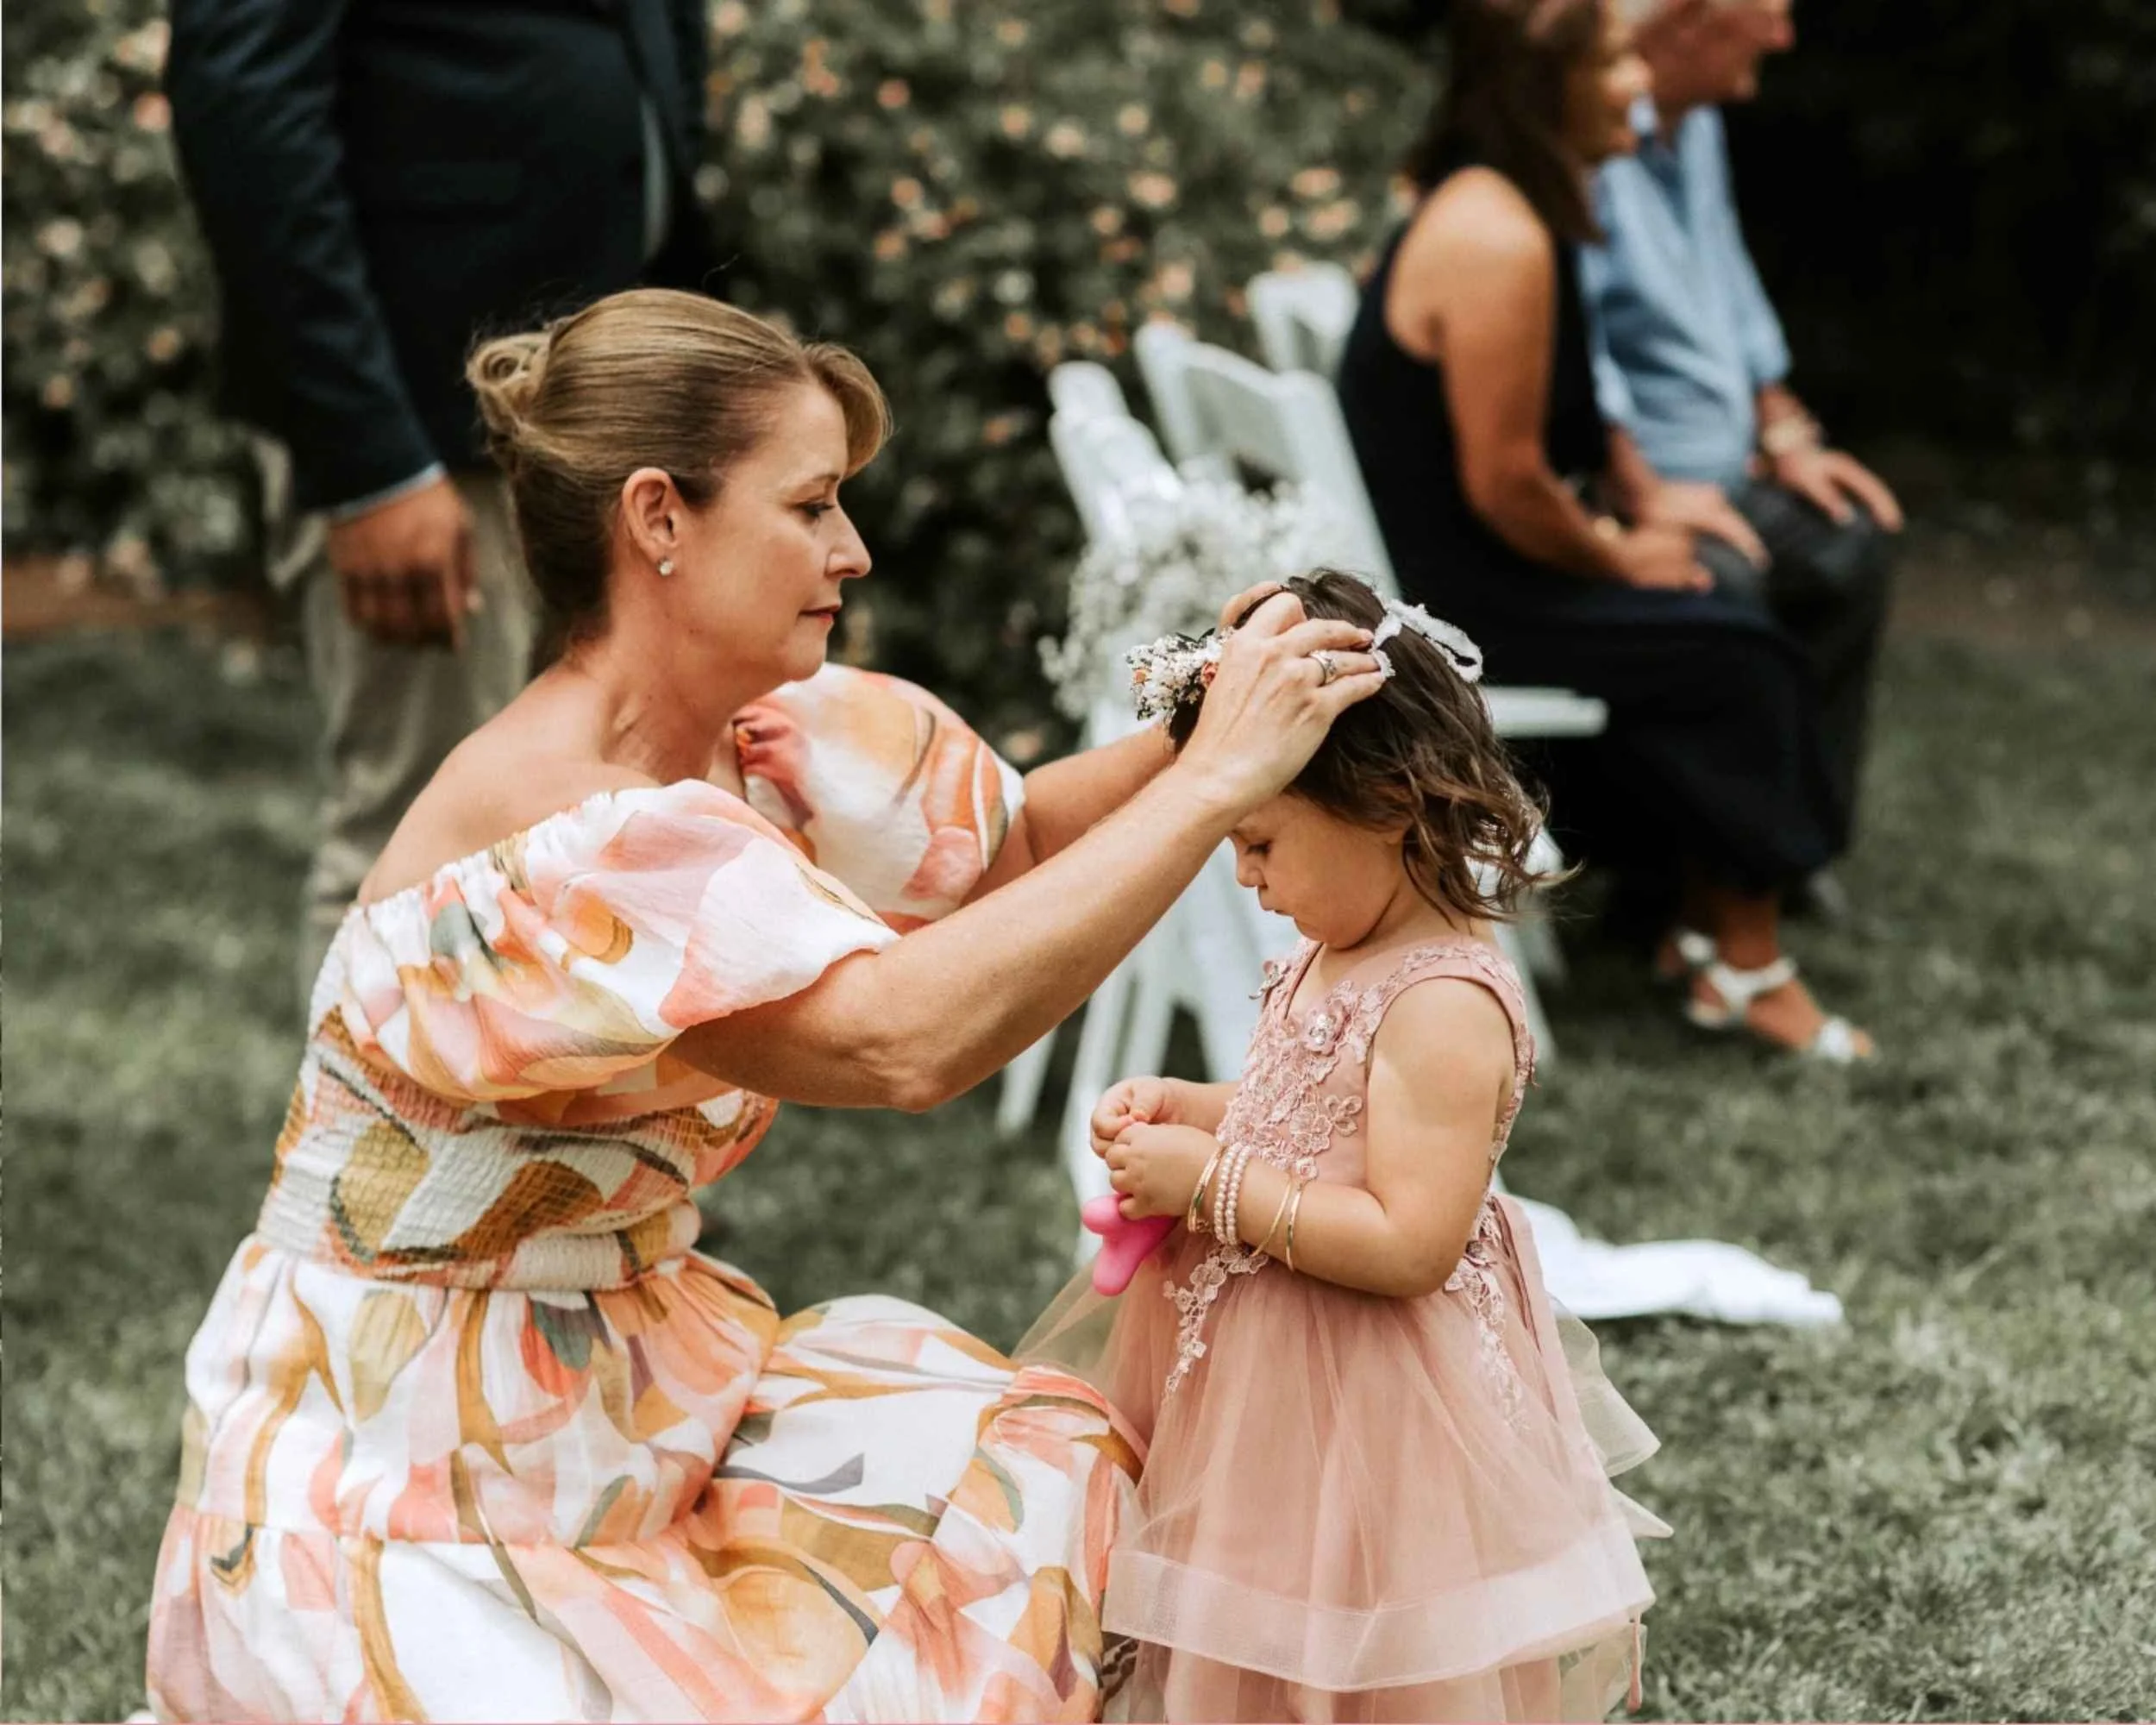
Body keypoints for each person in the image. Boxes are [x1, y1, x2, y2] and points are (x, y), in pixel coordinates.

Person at [141, 292, 1391, 1722]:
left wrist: (1202, 718)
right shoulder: (573, 842)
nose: (852, 549)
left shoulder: (756, 740)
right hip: (401, 1482)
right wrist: (1222, 782)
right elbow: (901, 1039)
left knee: (1042, 1464)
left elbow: (1018, 851)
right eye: (812, 506)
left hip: (634, 1409)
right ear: (658, 518)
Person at [1024, 571, 1668, 1723]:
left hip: (1371, 1406)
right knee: (1245, 1607)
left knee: (1355, 1631)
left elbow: (1409, 1239)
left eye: (1260, 839)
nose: (1244, 874)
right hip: (1261, 1380)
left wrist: (1210, 1187)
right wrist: (1194, 1107)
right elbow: (1309, 1107)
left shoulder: (1444, 1004)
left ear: (1384, 800)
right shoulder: (1337, 947)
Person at [1334, 0, 1872, 1060]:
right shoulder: (1496, 236)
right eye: (1616, 59)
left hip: (1465, 571)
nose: (1638, 80)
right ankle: (1745, 963)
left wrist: (1632, 525)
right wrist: (1619, 554)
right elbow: (1508, 488)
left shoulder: (1513, 207)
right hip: (1463, 604)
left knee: (1719, 613)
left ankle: (1701, 930)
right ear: (1548, 87)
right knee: (1741, 653)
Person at [164, 0, 720, 1007]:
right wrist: (370, 462)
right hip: (423, 419)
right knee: (415, 852)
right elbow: (246, 107)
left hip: (608, 399)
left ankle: (533, 1164)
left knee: (582, 834)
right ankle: (355, 1167)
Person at [1585, 0, 1902, 900]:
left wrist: (1785, 431)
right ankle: (1688, 887)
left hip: (1721, 475)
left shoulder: (1696, 129)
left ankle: (1791, 849)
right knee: (1717, 580)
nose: (1783, 36)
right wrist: (1637, 488)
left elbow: (1729, 288)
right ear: (1688, 20)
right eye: (1769, 10)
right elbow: (1575, 344)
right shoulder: (1589, 126)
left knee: (1847, 536)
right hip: (1628, 490)